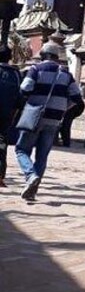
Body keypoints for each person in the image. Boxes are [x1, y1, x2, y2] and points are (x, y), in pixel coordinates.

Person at [16, 41, 82, 200]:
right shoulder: (66, 74)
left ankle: (31, 176)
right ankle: (32, 191)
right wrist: (63, 107)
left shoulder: (36, 69)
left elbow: (25, 89)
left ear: (43, 55)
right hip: (54, 120)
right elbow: (76, 97)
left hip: (34, 117)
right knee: (42, 156)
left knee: (22, 149)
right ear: (56, 57)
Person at [0, 45, 23, 188]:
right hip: (7, 114)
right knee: (2, 144)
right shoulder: (16, 74)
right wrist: (13, 115)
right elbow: (20, 99)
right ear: (9, 58)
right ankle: (0, 176)